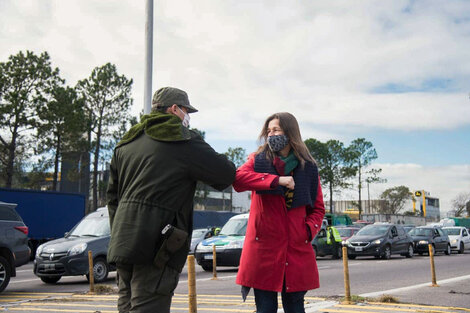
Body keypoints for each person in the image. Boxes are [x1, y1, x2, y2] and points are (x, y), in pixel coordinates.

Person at [106, 86, 236, 313]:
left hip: (123, 241)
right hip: (157, 244)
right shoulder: (182, 140)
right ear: (174, 109)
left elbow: (112, 198)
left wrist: (121, 230)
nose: (187, 118)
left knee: (126, 305)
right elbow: (225, 174)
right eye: (186, 111)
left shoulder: (126, 143)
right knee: (149, 304)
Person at [232, 112, 325, 313]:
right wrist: (275, 180)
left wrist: (307, 231)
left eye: (276, 130)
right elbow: (238, 179)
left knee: (295, 308)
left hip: (295, 249)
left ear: (290, 133)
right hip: (263, 250)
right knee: (265, 309)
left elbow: (317, 208)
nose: (271, 135)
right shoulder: (258, 160)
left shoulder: (308, 167)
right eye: (268, 131)